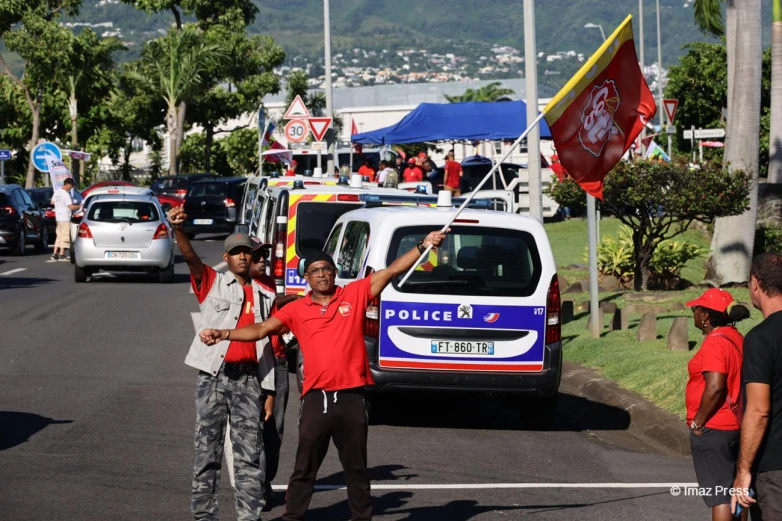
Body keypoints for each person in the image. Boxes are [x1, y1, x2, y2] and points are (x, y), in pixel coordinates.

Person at [199, 229, 449, 521]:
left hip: (352, 396)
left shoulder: (354, 294)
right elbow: (262, 329)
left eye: (326, 270)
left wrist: (424, 245)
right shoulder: (297, 309)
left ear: (334, 273)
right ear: (307, 278)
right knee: (305, 466)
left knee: (355, 466)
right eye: (315, 271)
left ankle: (361, 516)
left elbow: (393, 269)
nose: (321, 275)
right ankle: (293, 516)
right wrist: (225, 333)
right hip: (316, 398)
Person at [168, 205, 276, 521]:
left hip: (249, 380)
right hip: (213, 377)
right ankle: (204, 516)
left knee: (249, 456)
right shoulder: (211, 281)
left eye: (247, 252)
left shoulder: (265, 293)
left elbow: (266, 343)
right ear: (226, 258)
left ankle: (249, 516)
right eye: (236, 252)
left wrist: (269, 389)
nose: (243, 257)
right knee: (207, 452)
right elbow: (190, 257)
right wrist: (177, 229)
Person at [684, 289, 751, 521]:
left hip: (715, 427)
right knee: (737, 490)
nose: (694, 313)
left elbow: (715, 387)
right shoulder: (737, 337)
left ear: (704, 316)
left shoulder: (714, 343)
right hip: (737, 425)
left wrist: (698, 422)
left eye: (696, 309)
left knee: (719, 495)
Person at [248, 237, 301, 506]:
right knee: (252, 426)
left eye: (264, 255)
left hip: (278, 362)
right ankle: (254, 485)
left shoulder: (267, 282)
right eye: (256, 256)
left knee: (274, 427)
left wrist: (286, 300)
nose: (262, 260)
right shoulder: (239, 287)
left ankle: (266, 481)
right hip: (253, 365)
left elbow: (270, 306)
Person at [732, 253, 782, 519]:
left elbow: (758, 411)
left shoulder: (760, 338)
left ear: (754, 283)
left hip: (775, 469)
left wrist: (743, 471)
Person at [50, 178, 80, 261]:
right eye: (72, 185)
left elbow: (52, 202)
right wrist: (80, 206)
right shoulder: (65, 194)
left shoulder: (57, 192)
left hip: (58, 217)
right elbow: (71, 206)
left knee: (59, 235)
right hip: (65, 217)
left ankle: (55, 254)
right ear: (68, 184)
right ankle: (62, 255)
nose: (72, 187)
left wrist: (59, 205)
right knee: (65, 235)